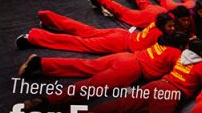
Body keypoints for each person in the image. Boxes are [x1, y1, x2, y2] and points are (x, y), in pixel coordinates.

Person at [19, 32, 187, 108]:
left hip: (124, 56)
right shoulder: (177, 54)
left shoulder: (161, 44)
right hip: (132, 69)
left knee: (85, 65)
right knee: (92, 85)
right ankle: (45, 100)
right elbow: (180, 72)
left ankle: (40, 64)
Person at [17, 10, 173, 54]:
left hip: (122, 34)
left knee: (85, 30)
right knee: (81, 44)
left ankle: (48, 18)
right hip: (120, 43)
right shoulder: (162, 36)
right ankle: (33, 37)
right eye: (170, 26)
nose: (172, 29)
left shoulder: (156, 22)